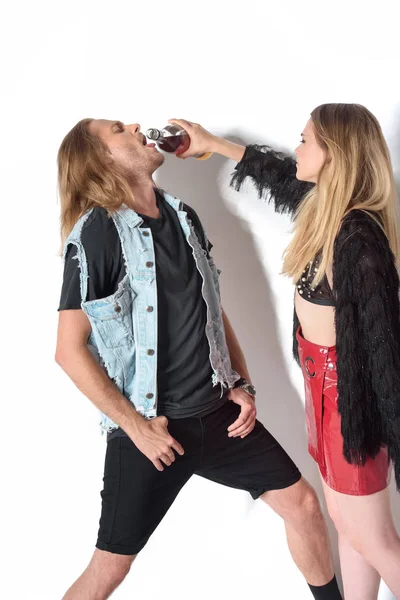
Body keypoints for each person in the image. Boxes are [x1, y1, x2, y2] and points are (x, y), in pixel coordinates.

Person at [55, 118, 342, 600]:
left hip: (220, 416)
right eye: (117, 130)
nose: (134, 126)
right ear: (101, 159)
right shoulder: (97, 234)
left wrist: (241, 383)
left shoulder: (183, 217)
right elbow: (68, 349)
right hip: (154, 432)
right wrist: (135, 426)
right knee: (109, 570)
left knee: (305, 506)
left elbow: (211, 309)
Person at [170, 104, 400, 599]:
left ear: (334, 154)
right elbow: (277, 175)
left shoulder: (358, 240)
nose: (296, 148)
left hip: (350, 401)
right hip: (323, 393)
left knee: (376, 539)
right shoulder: (327, 211)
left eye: (305, 140)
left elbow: (386, 352)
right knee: (347, 524)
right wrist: (213, 143)